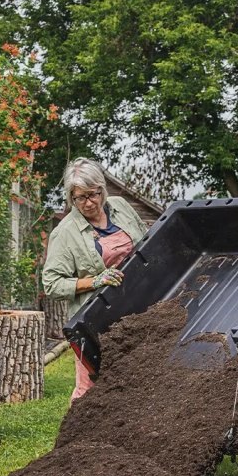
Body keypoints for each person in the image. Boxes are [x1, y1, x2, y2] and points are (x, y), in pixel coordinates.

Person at [42, 158, 149, 399]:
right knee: (89, 387)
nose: (89, 203)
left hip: (135, 308)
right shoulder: (65, 233)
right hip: (94, 319)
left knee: (134, 381)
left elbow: (145, 241)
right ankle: (74, 437)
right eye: (80, 198)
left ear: (102, 189)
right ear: (72, 197)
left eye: (93, 194)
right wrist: (95, 281)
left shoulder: (120, 206)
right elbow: (51, 284)